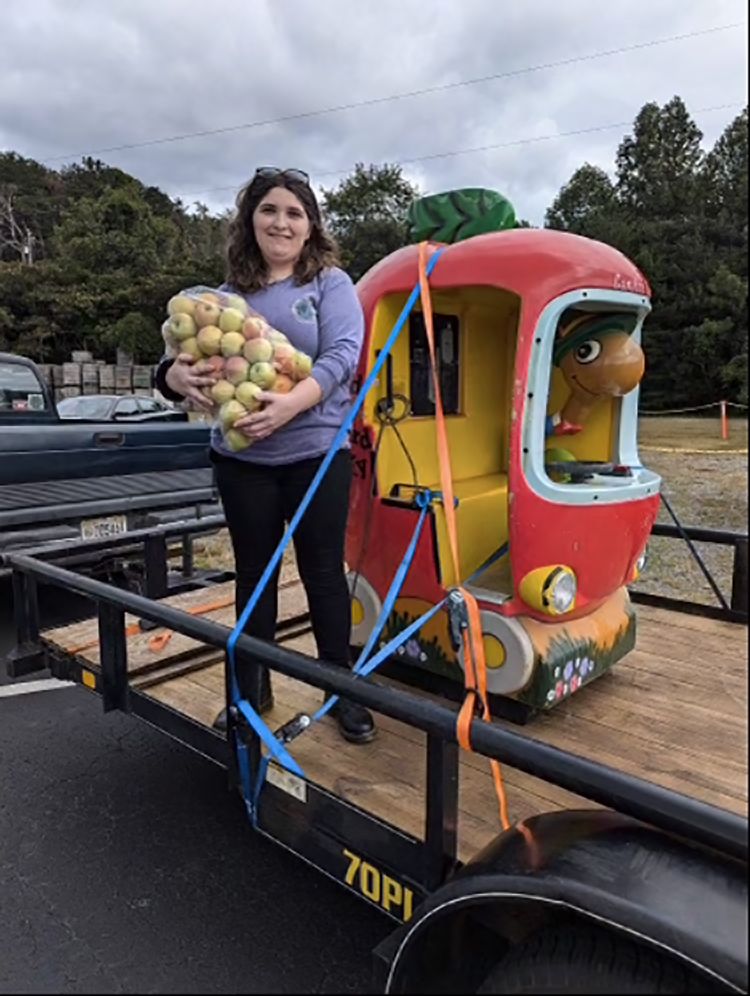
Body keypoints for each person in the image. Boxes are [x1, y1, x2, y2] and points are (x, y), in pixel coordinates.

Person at [155, 167, 374, 744]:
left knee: (324, 573)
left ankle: (341, 689)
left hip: (316, 453)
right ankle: (250, 693)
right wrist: (174, 375)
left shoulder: (329, 284)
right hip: (241, 462)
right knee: (255, 578)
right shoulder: (219, 301)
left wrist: (287, 407)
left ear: (310, 226)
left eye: (294, 212)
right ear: (250, 221)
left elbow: (344, 356)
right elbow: (176, 366)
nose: (281, 221)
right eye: (270, 210)